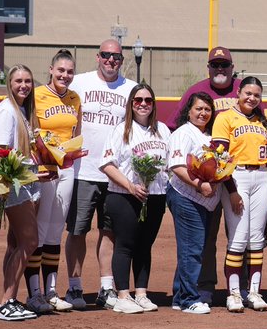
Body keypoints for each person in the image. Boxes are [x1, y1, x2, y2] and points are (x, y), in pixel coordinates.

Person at [65, 39, 136, 310]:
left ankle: (106, 288)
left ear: (121, 59)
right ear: (97, 57)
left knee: (110, 232)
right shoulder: (79, 83)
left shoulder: (130, 89)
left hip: (114, 174)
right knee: (77, 230)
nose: (111, 60)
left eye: (116, 56)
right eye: (106, 55)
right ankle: (74, 287)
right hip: (83, 170)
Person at [172, 46, 241, 306]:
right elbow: (175, 127)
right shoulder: (195, 91)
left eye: (225, 65)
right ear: (209, 67)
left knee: (239, 235)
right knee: (201, 240)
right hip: (201, 186)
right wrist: (198, 180)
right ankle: (201, 288)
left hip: (234, 179)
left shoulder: (243, 89)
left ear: (232, 68)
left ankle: (241, 288)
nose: (220, 69)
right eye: (215, 65)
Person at [96, 84, 170, 314]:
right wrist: (129, 186)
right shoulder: (121, 130)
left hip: (155, 196)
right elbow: (107, 164)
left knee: (144, 246)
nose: (143, 104)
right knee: (125, 245)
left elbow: (168, 165)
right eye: (138, 100)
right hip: (124, 196)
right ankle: (122, 295)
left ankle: (141, 293)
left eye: (148, 100)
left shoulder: (163, 130)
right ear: (130, 104)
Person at [211, 76, 267, 313]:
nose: (252, 98)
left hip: (261, 178)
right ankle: (234, 293)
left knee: (256, 239)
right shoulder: (225, 117)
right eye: (248, 93)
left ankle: (254, 291)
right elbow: (220, 158)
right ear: (238, 92)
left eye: (257, 95)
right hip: (236, 177)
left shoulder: (262, 120)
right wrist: (232, 191)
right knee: (238, 237)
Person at [28, 49, 82, 314]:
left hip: (66, 167)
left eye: (70, 71)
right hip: (43, 167)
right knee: (38, 229)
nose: (65, 75)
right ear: (51, 70)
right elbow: (27, 130)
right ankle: (34, 293)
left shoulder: (74, 98)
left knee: (55, 230)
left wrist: (72, 153)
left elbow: (76, 133)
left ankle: (51, 291)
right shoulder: (37, 96)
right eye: (61, 70)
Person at [0, 65, 43, 321]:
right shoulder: (6, 111)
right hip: (15, 183)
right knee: (29, 241)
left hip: (28, 181)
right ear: (10, 83)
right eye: (18, 81)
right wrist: (28, 171)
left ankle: (10, 298)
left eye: (28, 81)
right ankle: (5, 302)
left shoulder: (23, 110)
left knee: (15, 243)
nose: (24, 85)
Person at [166, 92, 219, 314]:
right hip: (186, 196)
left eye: (207, 109)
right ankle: (189, 298)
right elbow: (177, 166)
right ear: (189, 110)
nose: (203, 113)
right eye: (199, 108)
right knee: (192, 249)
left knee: (192, 247)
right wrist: (200, 184)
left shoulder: (208, 135)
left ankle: (180, 296)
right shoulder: (183, 133)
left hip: (202, 199)